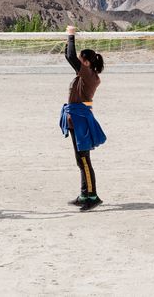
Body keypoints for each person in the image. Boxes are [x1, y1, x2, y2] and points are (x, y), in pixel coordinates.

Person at [59, 26, 106, 212]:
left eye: (80, 60)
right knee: (80, 160)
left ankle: (93, 196)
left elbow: (71, 57)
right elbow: (69, 57)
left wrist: (71, 36)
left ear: (85, 63)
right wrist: (66, 41)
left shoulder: (88, 75)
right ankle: (84, 194)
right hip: (75, 119)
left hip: (81, 121)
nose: (77, 63)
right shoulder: (86, 73)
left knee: (84, 159)